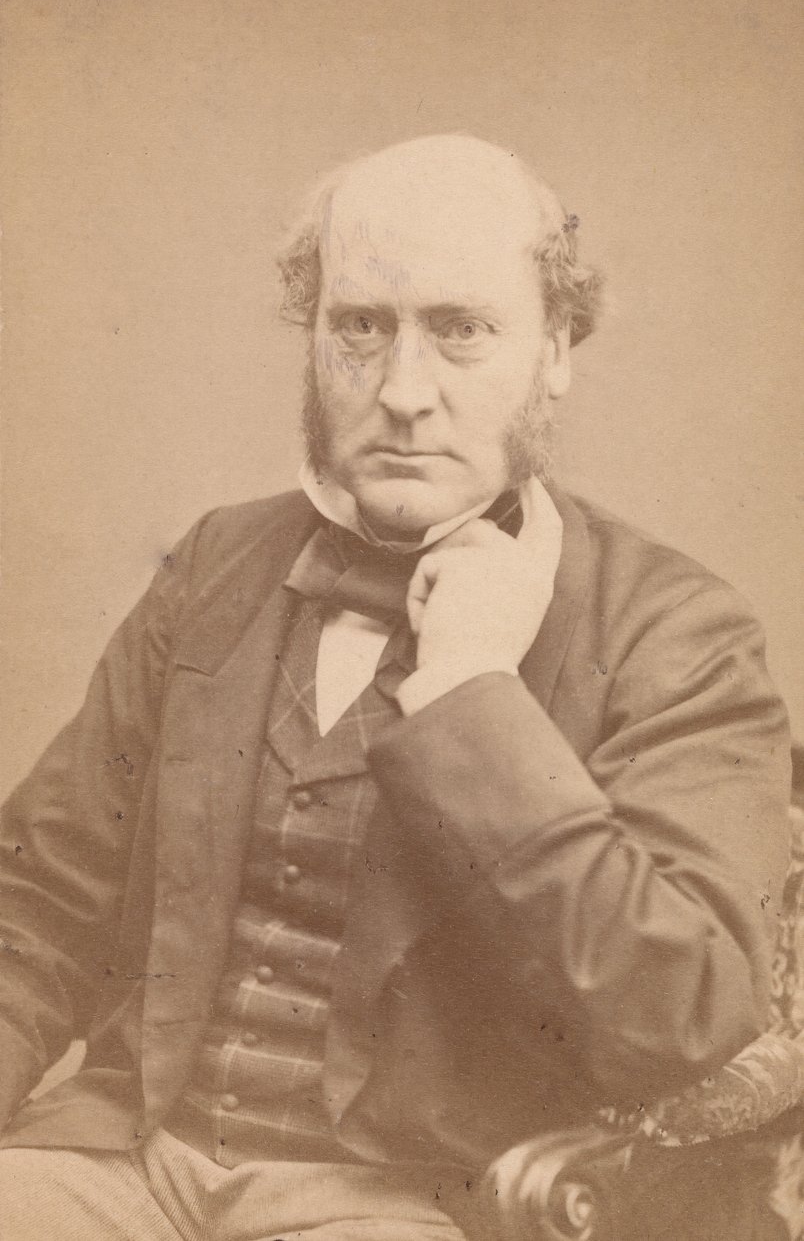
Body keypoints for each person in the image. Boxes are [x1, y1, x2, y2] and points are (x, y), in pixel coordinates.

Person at [0, 134, 791, 1240]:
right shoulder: (218, 565)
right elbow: (40, 905)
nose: (403, 392)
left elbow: (682, 1017)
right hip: (124, 1162)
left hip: (410, 1203)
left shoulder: (675, 630)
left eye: (461, 330)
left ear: (557, 347)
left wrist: (471, 692)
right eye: (361, 328)